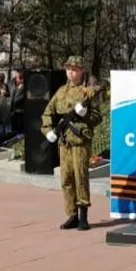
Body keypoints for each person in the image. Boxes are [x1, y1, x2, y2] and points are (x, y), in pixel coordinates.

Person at [42, 56, 100, 231]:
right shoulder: (61, 92)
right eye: (68, 69)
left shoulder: (88, 92)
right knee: (66, 178)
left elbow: (97, 117)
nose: (71, 73)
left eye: (74, 69)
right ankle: (72, 214)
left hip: (80, 140)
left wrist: (85, 115)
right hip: (64, 141)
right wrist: (48, 131)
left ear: (82, 70)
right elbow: (47, 113)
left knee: (80, 176)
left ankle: (83, 216)